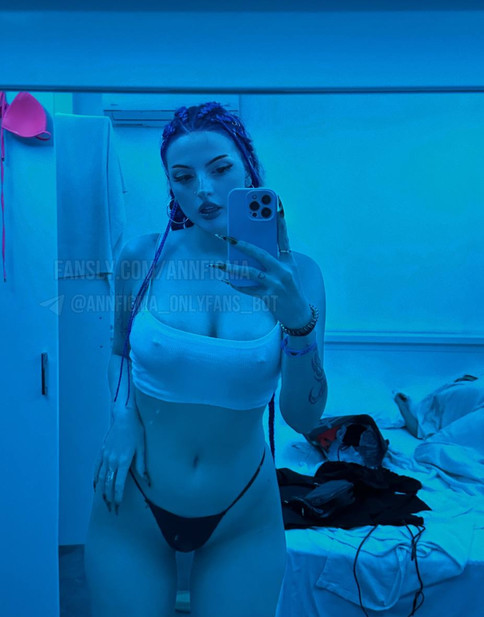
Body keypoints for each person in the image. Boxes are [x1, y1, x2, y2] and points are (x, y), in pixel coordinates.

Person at [84, 101, 327, 617]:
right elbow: (120, 353)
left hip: (243, 513)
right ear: (170, 186)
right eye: (183, 176)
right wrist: (121, 416)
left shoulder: (299, 277)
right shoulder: (141, 257)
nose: (204, 190)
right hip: (133, 501)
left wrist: (297, 318)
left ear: (249, 168)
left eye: (220, 169)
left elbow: (303, 417)